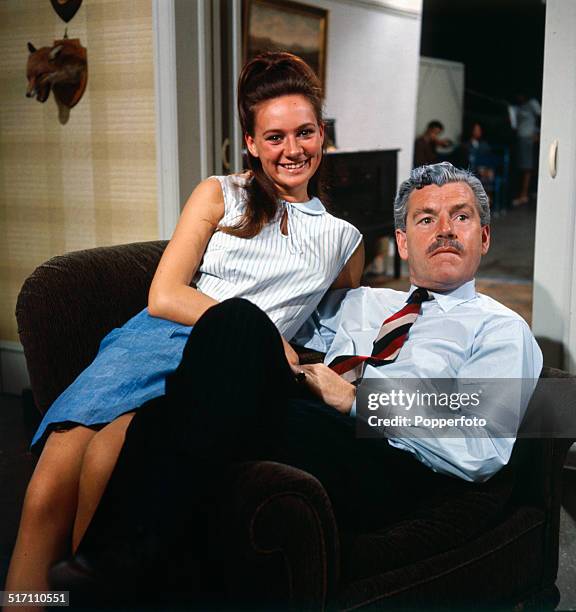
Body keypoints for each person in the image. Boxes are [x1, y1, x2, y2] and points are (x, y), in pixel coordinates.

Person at [61, 162, 541, 606]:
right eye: (425, 219)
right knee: (236, 322)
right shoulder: (365, 303)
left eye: (460, 217)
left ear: (484, 237)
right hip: (312, 419)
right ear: (400, 240)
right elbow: (273, 306)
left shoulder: (500, 329)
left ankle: (112, 570)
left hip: (391, 459)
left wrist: (356, 400)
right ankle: (130, 567)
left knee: (176, 417)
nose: (443, 231)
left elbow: (481, 446)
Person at [5, 51, 364, 601]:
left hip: (222, 363)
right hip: (153, 338)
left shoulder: (344, 239)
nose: (292, 150)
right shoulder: (220, 193)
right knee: (46, 489)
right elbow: (164, 294)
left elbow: (343, 317)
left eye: (305, 132)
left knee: (105, 468)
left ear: (323, 134)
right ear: (250, 142)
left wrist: (305, 362)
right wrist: (270, 336)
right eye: (274, 137)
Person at [511, 93, 541, 206]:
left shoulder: (532, 103)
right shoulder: (518, 107)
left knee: (527, 167)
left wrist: (538, 133)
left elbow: (541, 116)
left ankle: (524, 195)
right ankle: (524, 194)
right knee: (522, 166)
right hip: (521, 138)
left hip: (529, 138)